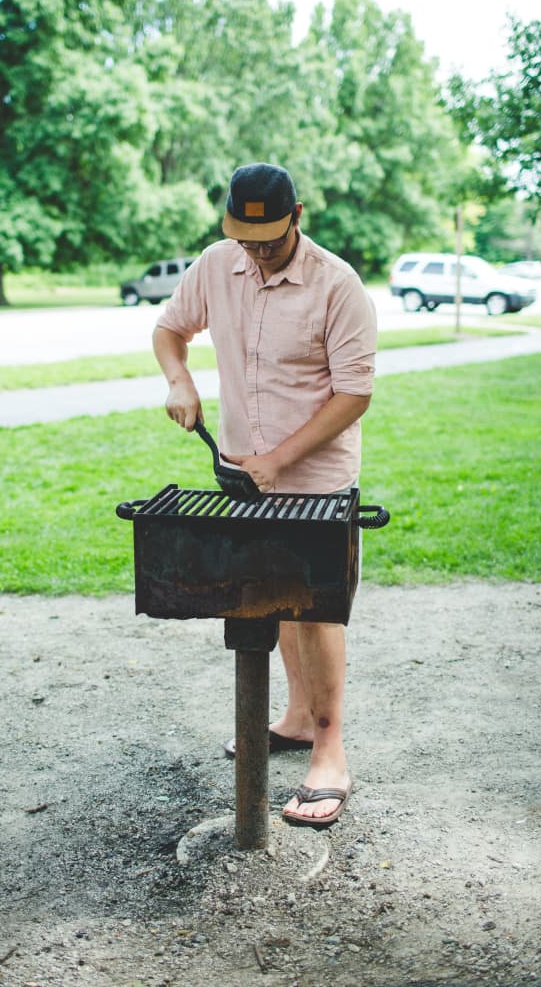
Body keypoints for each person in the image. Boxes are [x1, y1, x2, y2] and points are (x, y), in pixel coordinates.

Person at [152, 163, 377, 827]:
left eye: (269, 241)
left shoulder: (338, 286)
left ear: (298, 217)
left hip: (315, 480)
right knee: (273, 599)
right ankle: (300, 717)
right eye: (245, 239)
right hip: (245, 474)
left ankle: (330, 751)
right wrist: (179, 380)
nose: (254, 252)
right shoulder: (217, 264)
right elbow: (170, 329)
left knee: (316, 610)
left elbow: (355, 394)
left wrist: (280, 460)